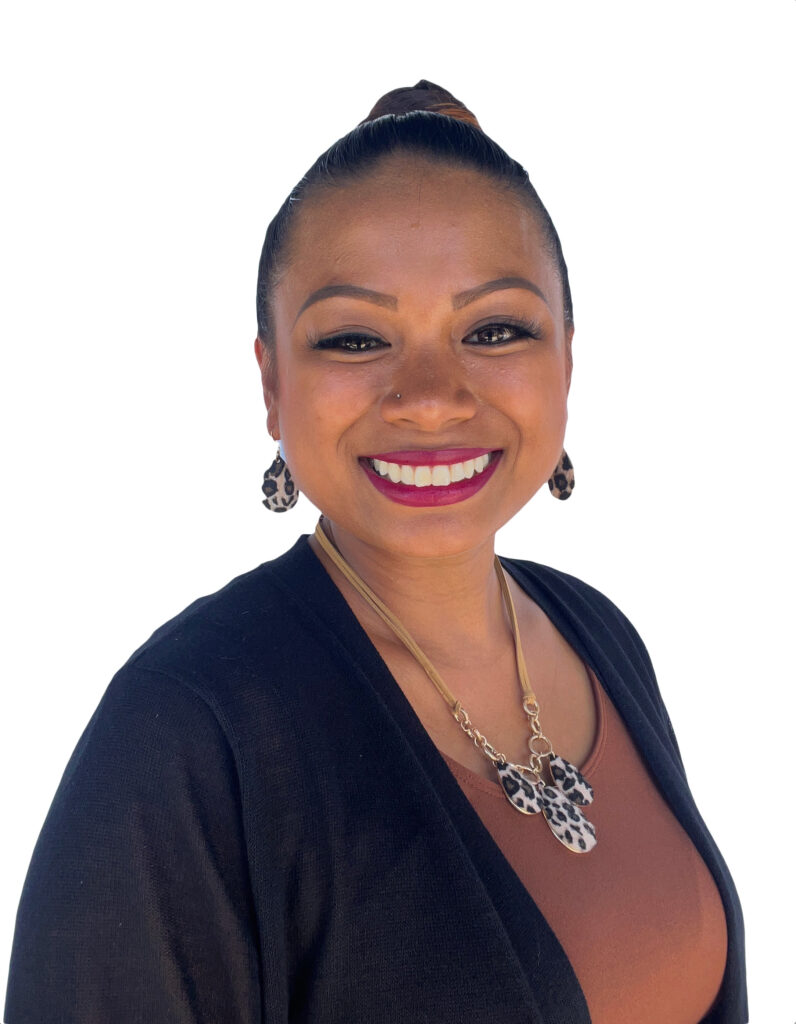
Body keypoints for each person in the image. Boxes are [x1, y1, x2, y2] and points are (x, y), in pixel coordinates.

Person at [4, 81, 746, 1024]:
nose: (430, 397)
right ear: (272, 383)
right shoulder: (187, 736)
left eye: (495, 330)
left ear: (568, 359)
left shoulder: (599, 636)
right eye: (356, 338)